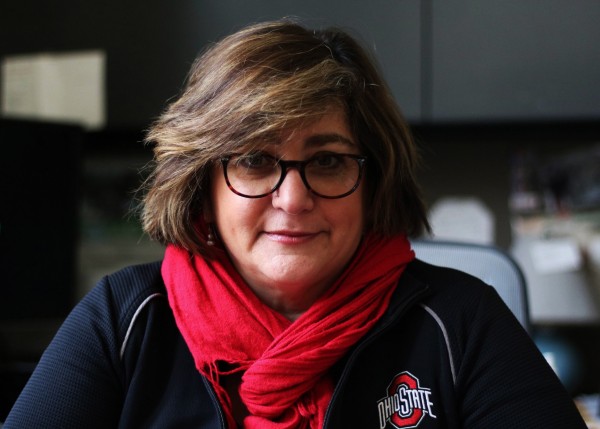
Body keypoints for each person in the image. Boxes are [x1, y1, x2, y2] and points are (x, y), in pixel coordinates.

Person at [4, 19, 586, 429]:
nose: (293, 197)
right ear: (202, 183)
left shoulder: (462, 319)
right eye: (255, 160)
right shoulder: (124, 317)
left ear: (374, 179)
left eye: (328, 161)